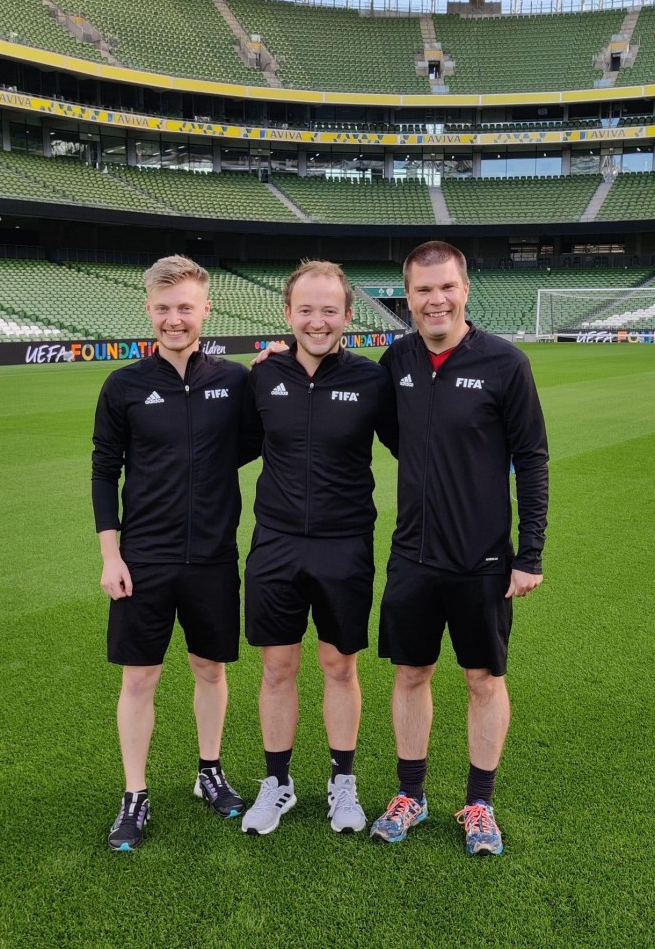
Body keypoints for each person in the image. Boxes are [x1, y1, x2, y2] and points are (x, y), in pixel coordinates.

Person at [369, 240, 548, 855]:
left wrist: (530, 553)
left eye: (446, 287)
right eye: (423, 290)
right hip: (413, 557)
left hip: (483, 561)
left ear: (465, 289)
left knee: (483, 679)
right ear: (408, 296)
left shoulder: (505, 363)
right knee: (411, 673)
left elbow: (531, 458)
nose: (435, 299)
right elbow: (395, 433)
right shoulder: (397, 361)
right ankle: (410, 794)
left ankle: (479, 803)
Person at [92, 255, 254, 851]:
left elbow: (257, 439)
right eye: (163, 308)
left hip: (212, 556)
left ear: (205, 308)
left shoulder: (235, 381)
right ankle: (135, 794)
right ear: (149, 311)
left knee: (210, 669)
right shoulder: (125, 386)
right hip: (145, 558)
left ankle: (208, 771)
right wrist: (112, 555)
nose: (174, 318)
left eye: (185, 307)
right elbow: (104, 470)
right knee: (141, 678)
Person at [240, 260, 398, 836]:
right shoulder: (261, 376)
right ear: (288, 314)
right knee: (278, 668)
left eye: (329, 309)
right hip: (275, 544)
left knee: (339, 665)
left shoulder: (371, 381)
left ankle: (343, 783)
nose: (317, 320)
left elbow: (419, 447)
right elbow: (226, 448)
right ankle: (277, 784)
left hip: (344, 546)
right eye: (306, 309)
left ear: (348, 316)